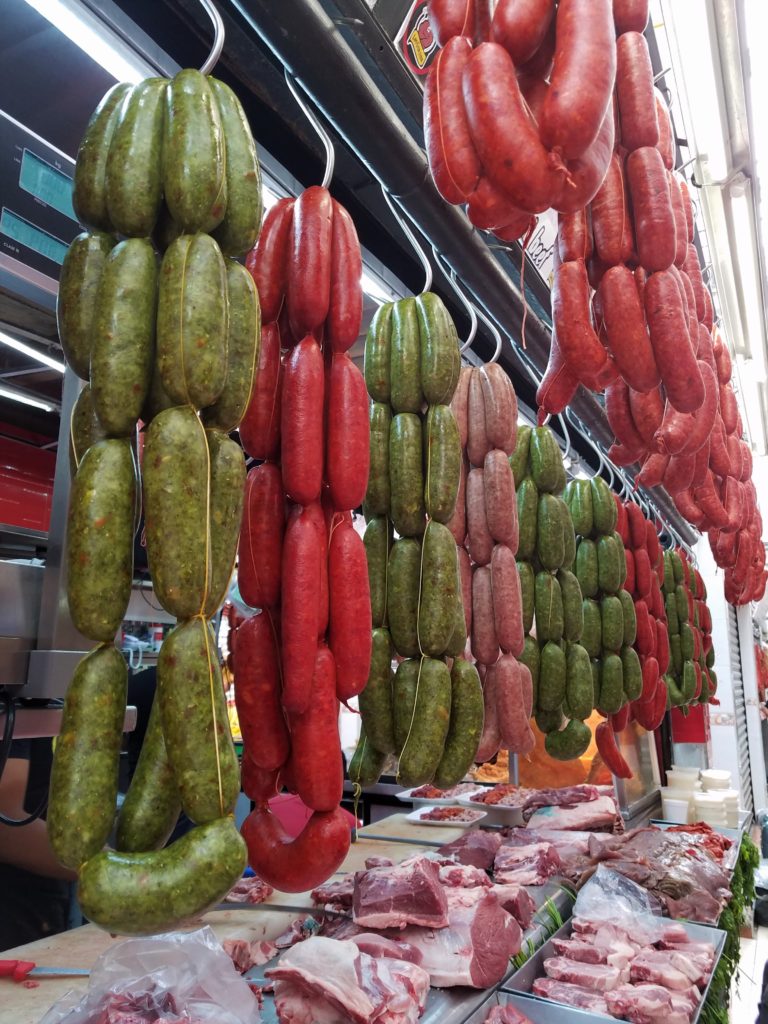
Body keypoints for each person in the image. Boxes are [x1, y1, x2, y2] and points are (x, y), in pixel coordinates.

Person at [0, 738, 75, 951]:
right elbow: (5, 825)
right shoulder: (15, 705)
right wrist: (107, 866)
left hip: (40, 898)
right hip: (14, 908)